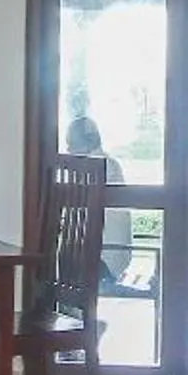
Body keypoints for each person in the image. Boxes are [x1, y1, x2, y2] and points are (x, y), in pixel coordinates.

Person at [64, 114, 138, 289]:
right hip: (105, 253)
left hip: (103, 257)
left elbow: (78, 214)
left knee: (54, 262)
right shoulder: (108, 163)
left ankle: (65, 312)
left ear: (88, 142)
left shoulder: (97, 167)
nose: (68, 149)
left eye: (72, 143)